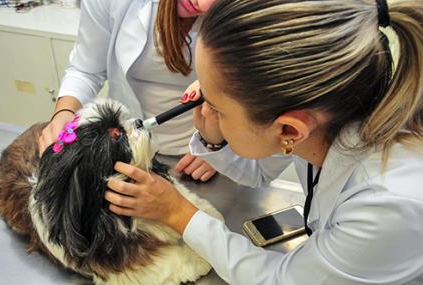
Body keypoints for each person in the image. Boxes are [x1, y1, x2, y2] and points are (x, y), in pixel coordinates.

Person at [105, 0, 423, 284]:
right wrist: (212, 140)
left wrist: (177, 212)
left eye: (216, 106)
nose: (203, 107)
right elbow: (258, 172)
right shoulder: (327, 109)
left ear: (289, 130)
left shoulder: (385, 205)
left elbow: (278, 279)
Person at [38, 0, 218, 181]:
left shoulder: (239, 13)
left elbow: (243, 92)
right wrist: (64, 111)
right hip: (125, 152)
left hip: (200, 158)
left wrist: (220, 147)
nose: (202, 5)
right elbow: (86, 70)